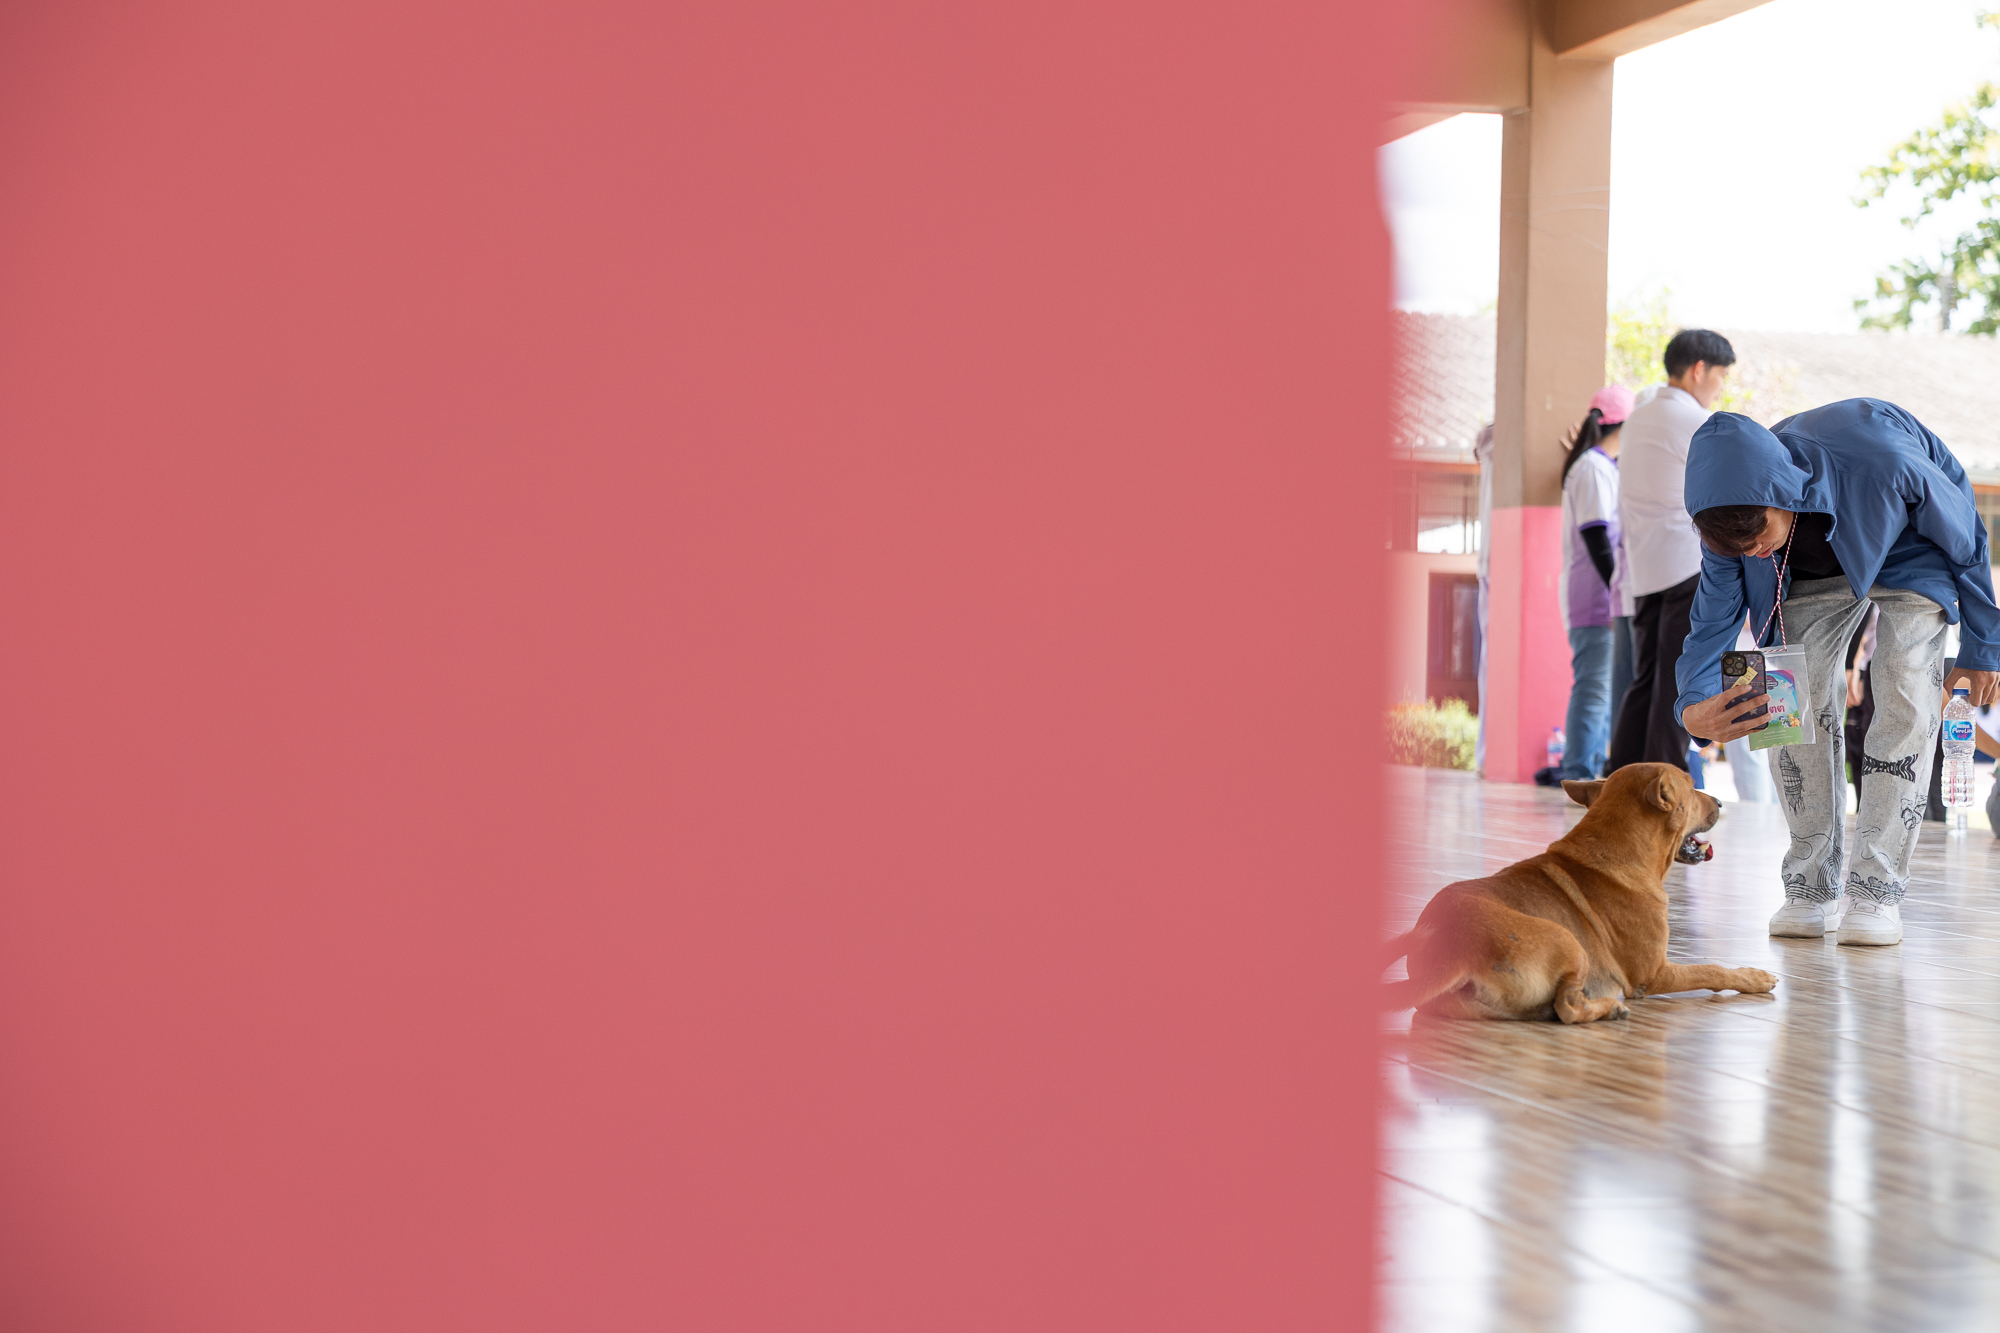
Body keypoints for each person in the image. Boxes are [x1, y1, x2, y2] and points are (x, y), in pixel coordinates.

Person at [1675, 400, 2000, 947]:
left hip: (1908, 547)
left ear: (1783, 492)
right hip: (1803, 575)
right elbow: (1711, 621)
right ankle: (1810, 886)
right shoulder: (1728, 526)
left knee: (1903, 687)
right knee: (1779, 704)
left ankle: (1877, 891)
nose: (1750, 548)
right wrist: (1692, 706)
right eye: (1736, 547)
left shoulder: (1885, 462)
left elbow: (1965, 537)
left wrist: (1984, 645)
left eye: (1758, 533)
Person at [1609, 330, 1736, 773]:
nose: (1721, 386)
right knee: (1676, 686)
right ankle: (1661, 791)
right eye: (1721, 375)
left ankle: (1621, 781)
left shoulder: (1637, 418)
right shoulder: (1697, 421)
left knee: (1645, 681)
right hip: (1687, 567)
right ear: (1699, 369)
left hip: (1645, 571)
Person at [1537, 386, 1634, 784]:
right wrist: (1616, 592)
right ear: (1624, 426)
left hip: (1597, 594)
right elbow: (1597, 536)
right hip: (1596, 596)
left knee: (1600, 687)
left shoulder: (1600, 465)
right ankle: (1578, 771)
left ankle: (1587, 769)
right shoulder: (1592, 467)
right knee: (1594, 687)